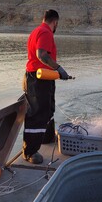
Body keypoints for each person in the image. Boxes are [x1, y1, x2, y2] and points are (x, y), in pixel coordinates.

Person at [22, 9, 70, 164]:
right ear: (55, 22)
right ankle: (29, 152)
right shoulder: (46, 32)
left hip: (41, 78)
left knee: (48, 109)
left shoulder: (36, 31)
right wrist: (59, 69)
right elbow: (41, 55)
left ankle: (45, 138)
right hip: (38, 79)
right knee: (37, 114)